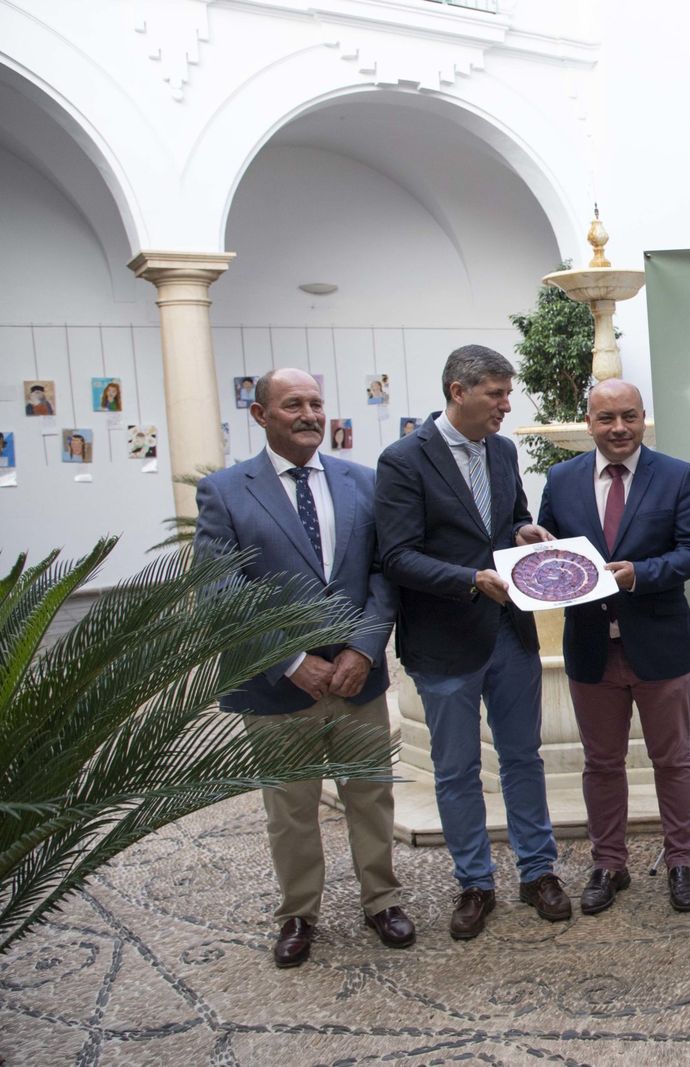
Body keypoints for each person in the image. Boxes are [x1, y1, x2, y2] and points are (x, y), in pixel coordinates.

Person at [193, 368, 411, 968]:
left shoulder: (362, 482)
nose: (310, 414)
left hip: (354, 675)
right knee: (291, 808)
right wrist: (290, 660)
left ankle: (383, 900)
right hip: (274, 685)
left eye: (316, 403)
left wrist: (362, 649)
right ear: (261, 415)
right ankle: (297, 914)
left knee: (370, 795)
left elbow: (381, 575)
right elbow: (220, 590)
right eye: (294, 405)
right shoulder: (225, 491)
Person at [375, 344, 569, 939]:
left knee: (522, 759)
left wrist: (525, 530)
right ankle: (474, 883)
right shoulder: (403, 461)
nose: (506, 407)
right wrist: (470, 581)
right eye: (496, 394)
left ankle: (538, 873)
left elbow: (509, 515)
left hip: (511, 636)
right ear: (458, 392)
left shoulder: (503, 451)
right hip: (444, 643)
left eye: (508, 395)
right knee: (456, 770)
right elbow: (396, 555)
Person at [534, 379, 690, 914]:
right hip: (591, 648)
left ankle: (682, 860)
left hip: (660, 645)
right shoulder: (561, 479)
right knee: (601, 764)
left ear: (643, 418)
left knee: (674, 761)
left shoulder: (677, 475)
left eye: (629, 417)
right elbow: (552, 548)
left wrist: (640, 575)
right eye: (606, 418)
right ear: (588, 421)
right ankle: (609, 865)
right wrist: (533, 543)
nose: (618, 429)